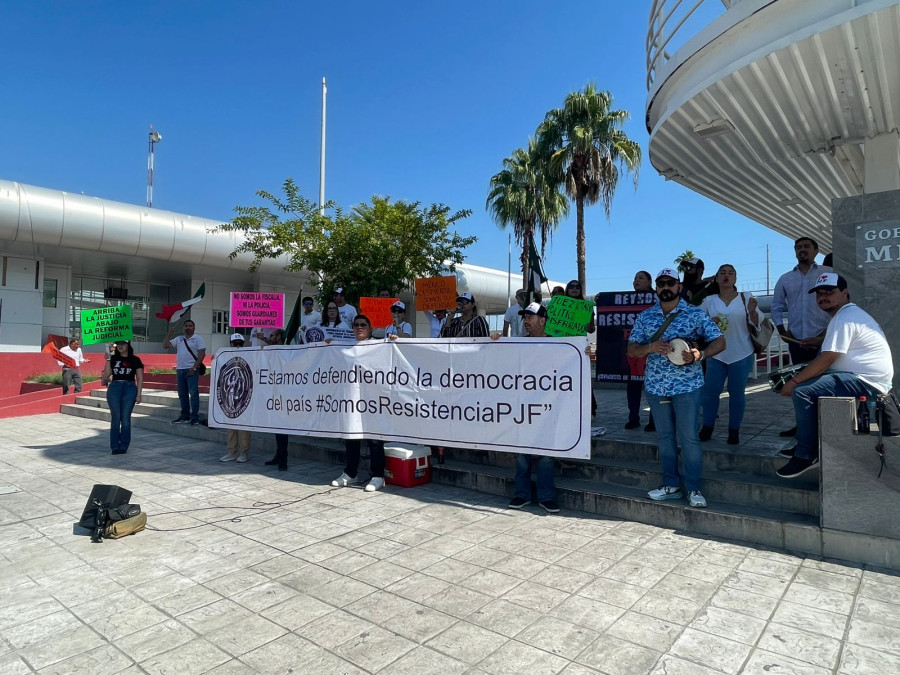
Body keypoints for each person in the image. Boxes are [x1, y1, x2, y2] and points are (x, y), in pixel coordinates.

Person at [776, 273, 894, 478]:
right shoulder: (847, 315)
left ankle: (806, 454)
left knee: (803, 391)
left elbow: (828, 358)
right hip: (862, 378)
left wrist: (794, 381)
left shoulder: (844, 317)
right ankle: (806, 444)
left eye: (829, 292)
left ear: (845, 293)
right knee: (808, 382)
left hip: (867, 382)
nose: (823, 297)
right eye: (819, 294)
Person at [628, 268, 725, 508]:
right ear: (657, 288)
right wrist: (650, 347)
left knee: (689, 437)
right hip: (656, 386)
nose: (665, 287)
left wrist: (700, 354)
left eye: (670, 283)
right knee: (665, 437)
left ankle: (693, 488)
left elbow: (720, 341)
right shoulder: (646, 317)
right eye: (661, 283)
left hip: (687, 386)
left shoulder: (693, 314)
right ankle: (670, 484)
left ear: (679, 287)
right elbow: (631, 349)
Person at [492, 302, 560, 513]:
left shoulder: (560, 346)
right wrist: (495, 341)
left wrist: (583, 353)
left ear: (543, 320)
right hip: (523, 409)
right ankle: (522, 494)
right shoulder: (518, 344)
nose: (526, 321)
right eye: (525, 317)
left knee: (546, 455)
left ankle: (546, 496)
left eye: (531, 317)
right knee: (522, 454)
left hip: (547, 408)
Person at [771, 237, 833, 436]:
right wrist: (782, 331)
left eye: (807, 247)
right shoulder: (785, 279)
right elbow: (776, 306)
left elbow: (838, 306)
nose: (802, 250)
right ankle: (802, 427)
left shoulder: (828, 274)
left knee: (824, 386)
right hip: (796, 341)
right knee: (798, 387)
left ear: (816, 250)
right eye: (798, 247)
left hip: (825, 341)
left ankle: (825, 428)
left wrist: (823, 336)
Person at [699, 264, 763, 445]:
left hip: (742, 352)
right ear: (717, 278)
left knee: (737, 393)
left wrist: (752, 313)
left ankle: (734, 430)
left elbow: (757, 323)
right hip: (716, 354)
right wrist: (708, 323)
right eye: (723, 273)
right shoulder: (709, 301)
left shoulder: (746, 298)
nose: (727, 276)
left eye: (731, 273)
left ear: (736, 279)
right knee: (711, 393)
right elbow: (697, 324)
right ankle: (707, 428)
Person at [330, 315, 387, 492]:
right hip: (353, 401)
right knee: (352, 437)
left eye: (363, 325)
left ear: (370, 329)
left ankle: (378, 475)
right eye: (356, 325)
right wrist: (327, 346)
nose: (359, 327)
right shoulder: (348, 347)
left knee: (375, 440)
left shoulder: (379, 346)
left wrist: (395, 341)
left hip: (373, 401)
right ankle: (351, 473)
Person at [101, 340, 143, 455]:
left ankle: (124, 445)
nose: (120, 346)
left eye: (123, 344)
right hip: (115, 387)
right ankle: (115, 446)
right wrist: (108, 359)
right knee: (116, 418)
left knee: (125, 418)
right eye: (118, 344)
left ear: (128, 345)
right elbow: (106, 376)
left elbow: (139, 378)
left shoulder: (135, 360)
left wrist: (139, 394)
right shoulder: (113, 358)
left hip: (129, 388)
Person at [625, 271, 655, 431]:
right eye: (635, 278)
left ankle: (653, 420)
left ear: (650, 282)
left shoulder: (659, 299)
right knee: (633, 387)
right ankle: (633, 418)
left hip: (652, 351)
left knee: (652, 388)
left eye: (640, 278)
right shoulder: (625, 301)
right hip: (634, 351)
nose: (636, 280)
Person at [163, 319, 206, 425]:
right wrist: (169, 334)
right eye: (186, 325)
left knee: (193, 393)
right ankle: (184, 416)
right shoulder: (179, 339)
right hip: (180, 369)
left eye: (190, 325)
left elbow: (202, 354)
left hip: (191, 370)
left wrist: (194, 367)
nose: (188, 327)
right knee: (182, 394)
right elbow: (165, 346)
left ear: (194, 328)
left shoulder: (198, 339)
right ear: (183, 328)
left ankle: (194, 416)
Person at [219, 333, 252, 463]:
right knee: (231, 426)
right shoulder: (225, 356)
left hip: (244, 395)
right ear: (230, 343)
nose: (237, 346)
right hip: (230, 395)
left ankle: (244, 452)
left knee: (244, 426)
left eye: (240, 343)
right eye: (235, 343)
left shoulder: (250, 355)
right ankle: (231, 452)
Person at [262, 329, 291, 471]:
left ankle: (283, 459)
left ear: (279, 337)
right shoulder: (270, 350)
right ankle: (278, 455)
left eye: (272, 335)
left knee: (282, 427)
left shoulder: (287, 351)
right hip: (273, 391)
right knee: (277, 427)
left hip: (284, 392)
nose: (270, 338)